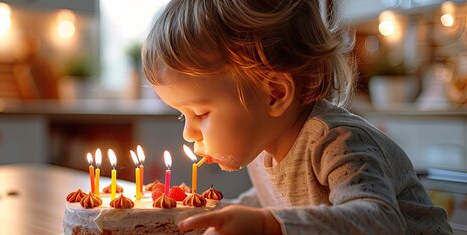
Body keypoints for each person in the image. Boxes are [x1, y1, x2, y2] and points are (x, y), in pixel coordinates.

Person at [141, 0, 452, 234]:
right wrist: (226, 212)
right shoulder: (268, 149)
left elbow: (380, 221)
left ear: (274, 94)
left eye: (199, 113)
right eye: (184, 117)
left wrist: (267, 225)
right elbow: (279, 199)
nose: (189, 133)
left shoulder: (337, 142)